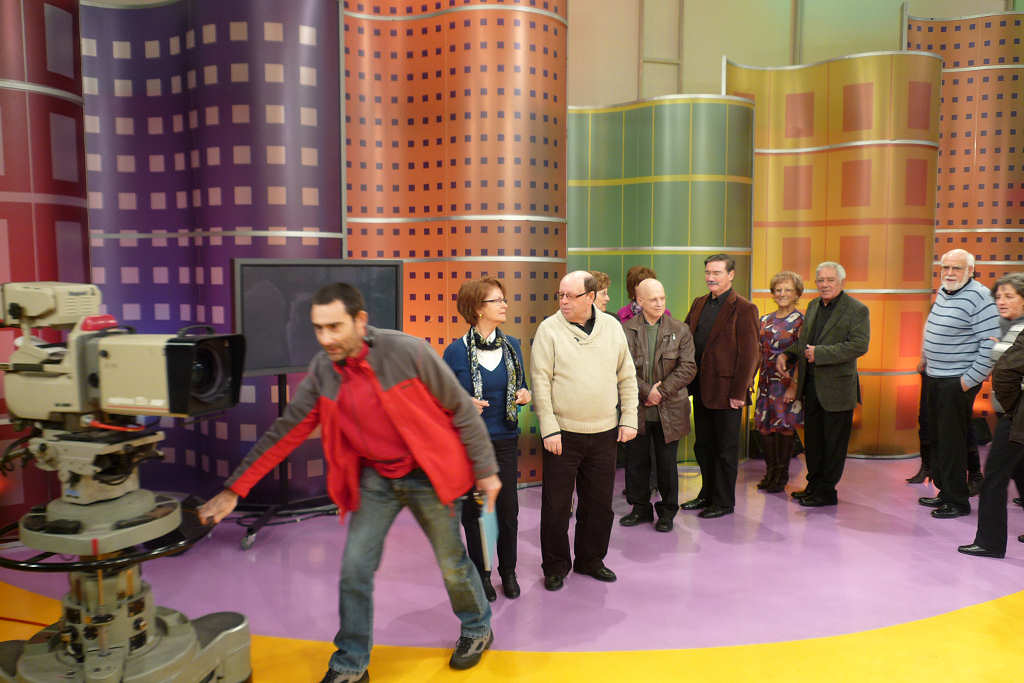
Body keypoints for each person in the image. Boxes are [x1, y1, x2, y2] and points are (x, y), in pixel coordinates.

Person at [198, 283, 500, 683]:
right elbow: (286, 431)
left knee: (451, 563)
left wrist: (486, 470)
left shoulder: (407, 351)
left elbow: (461, 408)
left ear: (360, 321)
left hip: (428, 473)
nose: (326, 339)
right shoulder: (324, 371)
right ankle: (351, 663)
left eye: (335, 327)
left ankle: (477, 627)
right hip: (376, 476)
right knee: (355, 569)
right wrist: (235, 489)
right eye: (319, 329)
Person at [532, 271, 638, 591]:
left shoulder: (612, 327)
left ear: (590, 297)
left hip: (605, 432)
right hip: (563, 434)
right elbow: (540, 382)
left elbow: (626, 376)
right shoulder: (549, 330)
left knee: (599, 505)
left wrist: (629, 418)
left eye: (570, 296)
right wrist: (549, 428)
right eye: (560, 295)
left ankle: (590, 560)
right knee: (556, 506)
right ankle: (555, 566)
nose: (563, 301)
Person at [443, 278, 530, 601]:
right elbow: (442, 399)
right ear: (478, 309)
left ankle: (508, 571)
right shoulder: (455, 352)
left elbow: (522, 385)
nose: (505, 305)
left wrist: (524, 394)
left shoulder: (513, 346)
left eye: (504, 299)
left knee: (508, 511)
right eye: (497, 300)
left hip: (505, 440)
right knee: (475, 513)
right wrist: (462, 403)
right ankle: (481, 573)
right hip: (469, 444)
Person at [779, 261, 869, 507]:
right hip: (811, 388)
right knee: (814, 443)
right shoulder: (813, 305)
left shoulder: (857, 309)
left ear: (841, 282)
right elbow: (805, 342)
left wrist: (820, 354)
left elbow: (859, 345)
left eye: (830, 280)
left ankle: (827, 492)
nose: (825, 284)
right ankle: (814, 485)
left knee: (833, 445)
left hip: (837, 391)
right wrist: (788, 354)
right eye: (820, 280)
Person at [917, 249, 999, 519]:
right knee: (937, 439)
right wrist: (926, 358)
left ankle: (958, 501)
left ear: (970, 271)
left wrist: (967, 381)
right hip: (934, 376)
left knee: (952, 443)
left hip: (956, 381)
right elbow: (936, 328)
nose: (950, 273)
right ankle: (944, 492)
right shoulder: (944, 291)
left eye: (957, 268)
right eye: (946, 267)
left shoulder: (981, 297)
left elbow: (990, 344)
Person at [681, 254, 760, 518]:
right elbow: (686, 337)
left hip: (728, 394)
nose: (710, 277)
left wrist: (739, 393)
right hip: (701, 390)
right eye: (708, 272)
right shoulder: (699, 303)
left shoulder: (745, 308)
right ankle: (707, 494)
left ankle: (724, 502)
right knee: (703, 447)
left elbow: (750, 355)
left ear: (731, 275)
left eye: (716, 272)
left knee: (725, 450)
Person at [619, 278, 696, 532]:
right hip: (637, 410)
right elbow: (621, 368)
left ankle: (667, 512)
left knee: (666, 465)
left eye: (662, 298)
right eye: (653, 299)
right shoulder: (625, 330)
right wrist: (646, 391)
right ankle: (640, 509)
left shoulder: (680, 329)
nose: (660, 303)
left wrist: (660, 392)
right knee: (636, 463)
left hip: (670, 410)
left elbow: (688, 367)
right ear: (639, 301)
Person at [959, 273, 1024, 558]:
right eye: (998, 296)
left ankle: (990, 543)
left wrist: (1010, 407)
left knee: (995, 477)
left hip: (1016, 416)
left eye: (1009, 296)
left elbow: (1006, 372)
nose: (1001, 301)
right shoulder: (1006, 325)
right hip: (1013, 413)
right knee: (1020, 470)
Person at [753, 271, 805, 493]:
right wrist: (750, 379)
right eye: (778, 290)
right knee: (764, 427)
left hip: (787, 383)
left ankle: (782, 474)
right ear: (773, 293)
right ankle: (771, 471)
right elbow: (757, 352)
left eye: (787, 290)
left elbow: (802, 356)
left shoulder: (802, 321)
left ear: (797, 294)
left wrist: (794, 385)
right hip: (765, 382)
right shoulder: (764, 320)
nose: (782, 294)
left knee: (784, 427)